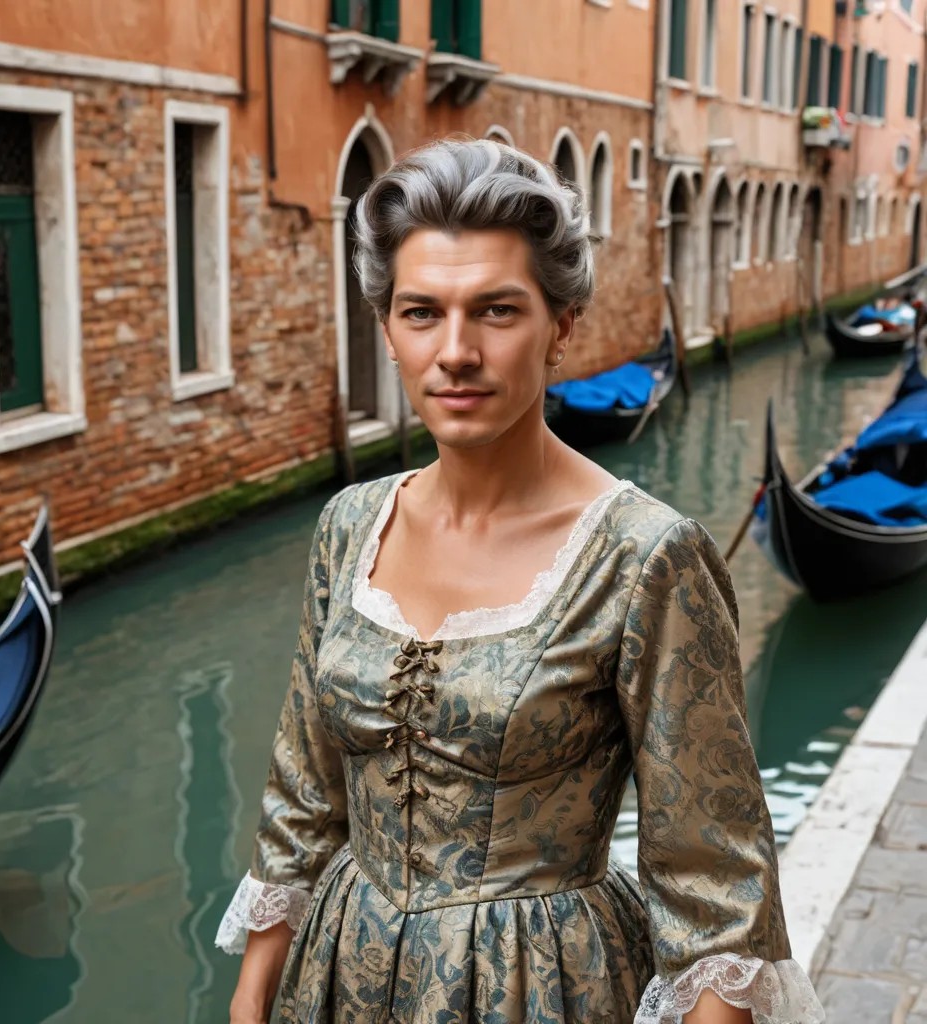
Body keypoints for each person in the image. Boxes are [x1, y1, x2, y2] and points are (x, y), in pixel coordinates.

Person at [217, 139, 825, 1024]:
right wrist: (252, 993)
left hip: (542, 987)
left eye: (497, 311)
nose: (455, 352)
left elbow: (713, 883)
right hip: (338, 975)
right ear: (387, 329)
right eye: (421, 312)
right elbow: (304, 792)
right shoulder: (348, 526)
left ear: (561, 326)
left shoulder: (648, 557)